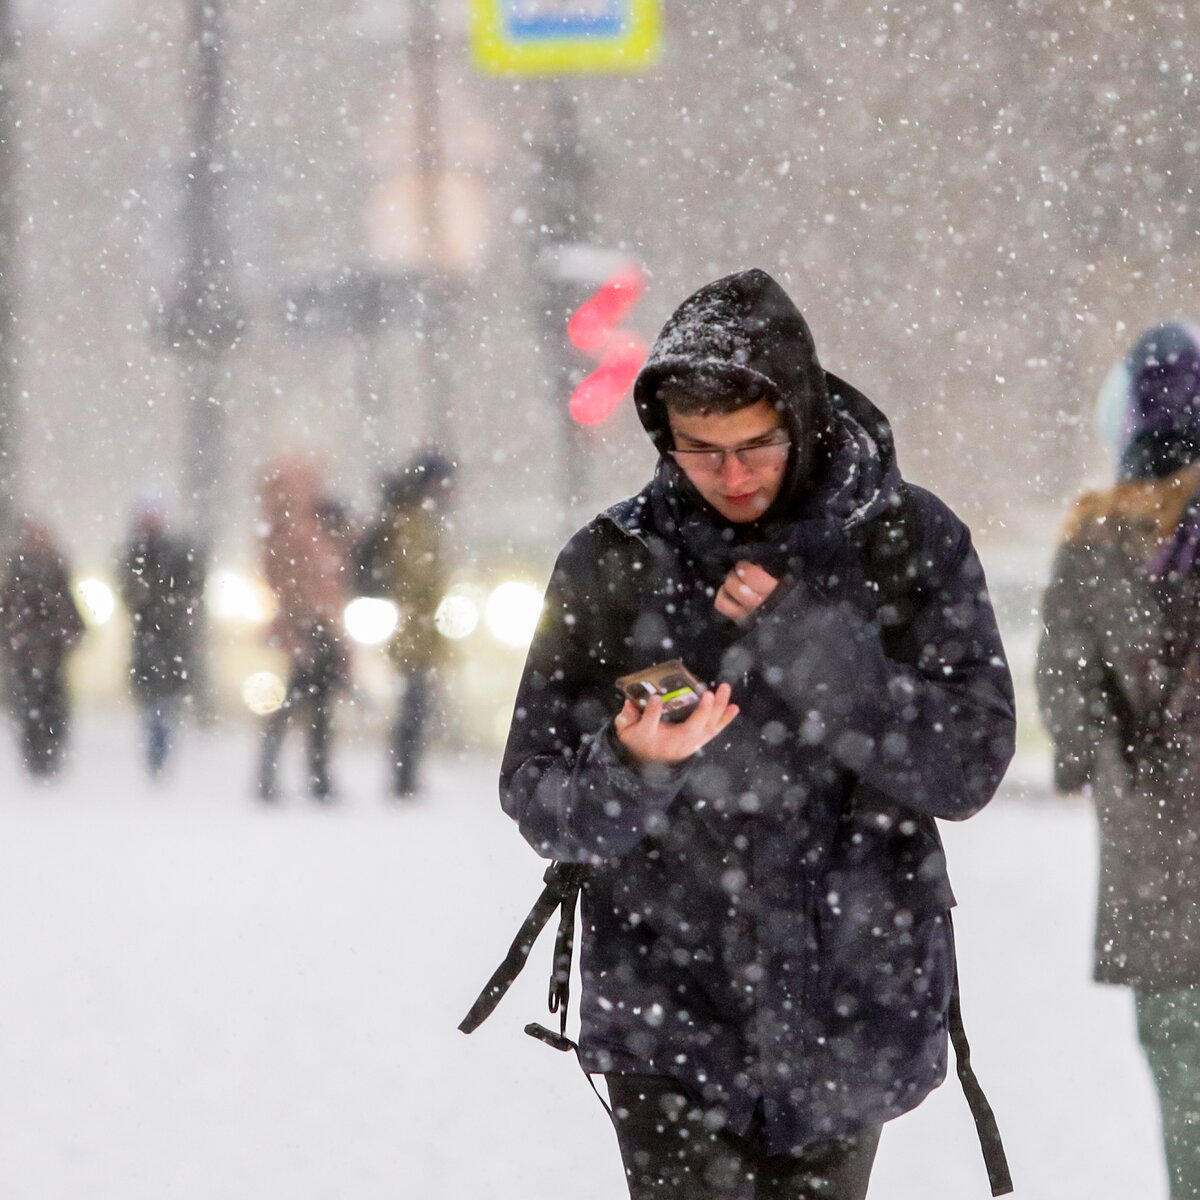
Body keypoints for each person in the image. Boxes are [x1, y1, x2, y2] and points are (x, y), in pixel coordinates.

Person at [499, 269, 1016, 1199]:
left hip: (851, 1000)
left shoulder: (905, 543)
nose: (732, 476)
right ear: (663, 436)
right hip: (667, 1012)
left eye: (756, 446)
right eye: (700, 450)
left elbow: (968, 763)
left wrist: (815, 650)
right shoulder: (612, 564)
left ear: (805, 420)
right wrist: (631, 764)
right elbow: (536, 795)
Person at [1038, 322, 1200, 1200]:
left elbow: (1068, 702)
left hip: (1161, 880)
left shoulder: (1096, 547)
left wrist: (1093, 755)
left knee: (1188, 1094)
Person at [357, 452, 454, 798]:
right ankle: (404, 777)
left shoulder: (414, 516)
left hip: (418, 628)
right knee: (414, 706)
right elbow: (415, 576)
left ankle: (406, 775)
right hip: (415, 630)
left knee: (415, 706)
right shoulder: (414, 519)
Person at [257, 455, 350, 802]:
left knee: (311, 708)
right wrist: (302, 627)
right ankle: (309, 778)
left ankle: (307, 777)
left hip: (315, 626)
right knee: (306, 708)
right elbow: (297, 584)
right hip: (310, 628)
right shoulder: (294, 532)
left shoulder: (300, 528)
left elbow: (322, 579)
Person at [118, 498, 201, 775]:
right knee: (152, 699)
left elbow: (190, 586)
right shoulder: (135, 553)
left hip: (170, 637)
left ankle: (161, 748)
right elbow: (128, 591)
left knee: (167, 700)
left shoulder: (175, 551)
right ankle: (156, 749)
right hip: (148, 636)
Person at [0, 520, 85, 778]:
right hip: (25, 653)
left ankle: (50, 753)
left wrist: (71, 632)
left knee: (53, 705)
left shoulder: (57, 570)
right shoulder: (17, 572)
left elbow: (69, 607)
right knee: (29, 707)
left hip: (51, 653)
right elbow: (7, 608)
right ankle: (34, 755)